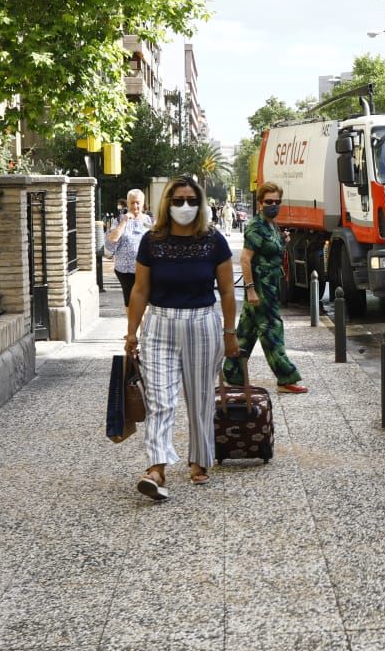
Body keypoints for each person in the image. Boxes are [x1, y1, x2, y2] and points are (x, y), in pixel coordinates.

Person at [125, 176, 238, 500]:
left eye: (191, 200)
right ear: (167, 204)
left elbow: (228, 291)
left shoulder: (213, 241)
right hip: (159, 325)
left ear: (200, 204)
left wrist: (230, 333)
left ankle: (199, 459)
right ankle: (156, 468)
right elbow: (140, 289)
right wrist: (131, 332)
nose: (185, 206)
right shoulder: (153, 241)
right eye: (178, 200)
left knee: (200, 398)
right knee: (160, 399)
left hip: (202, 323)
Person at [224, 182, 307, 395]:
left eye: (277, 202)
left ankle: (232, 373)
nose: (273, 205)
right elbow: (245, 260)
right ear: (260, 203)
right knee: (272, 331)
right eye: (269, 201)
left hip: (270, 286)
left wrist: (282, 239)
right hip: (261, 288)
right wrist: (251, 289)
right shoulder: (256, 226)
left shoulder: (272, 225)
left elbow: (270, 250)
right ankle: (285, 377)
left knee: (247, 332)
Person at [104, 188, 153, 307]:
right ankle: (135, 325)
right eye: (132, 202)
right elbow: (111, 242)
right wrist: (125, 221)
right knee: (131, 303)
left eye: (138, 202)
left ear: (142, 204)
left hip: (145, 269)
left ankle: (140, 325)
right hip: (125, 270)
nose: (135, 206)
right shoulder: (120, 220)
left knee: (144, 303)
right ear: (127, 203)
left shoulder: (148, 220)